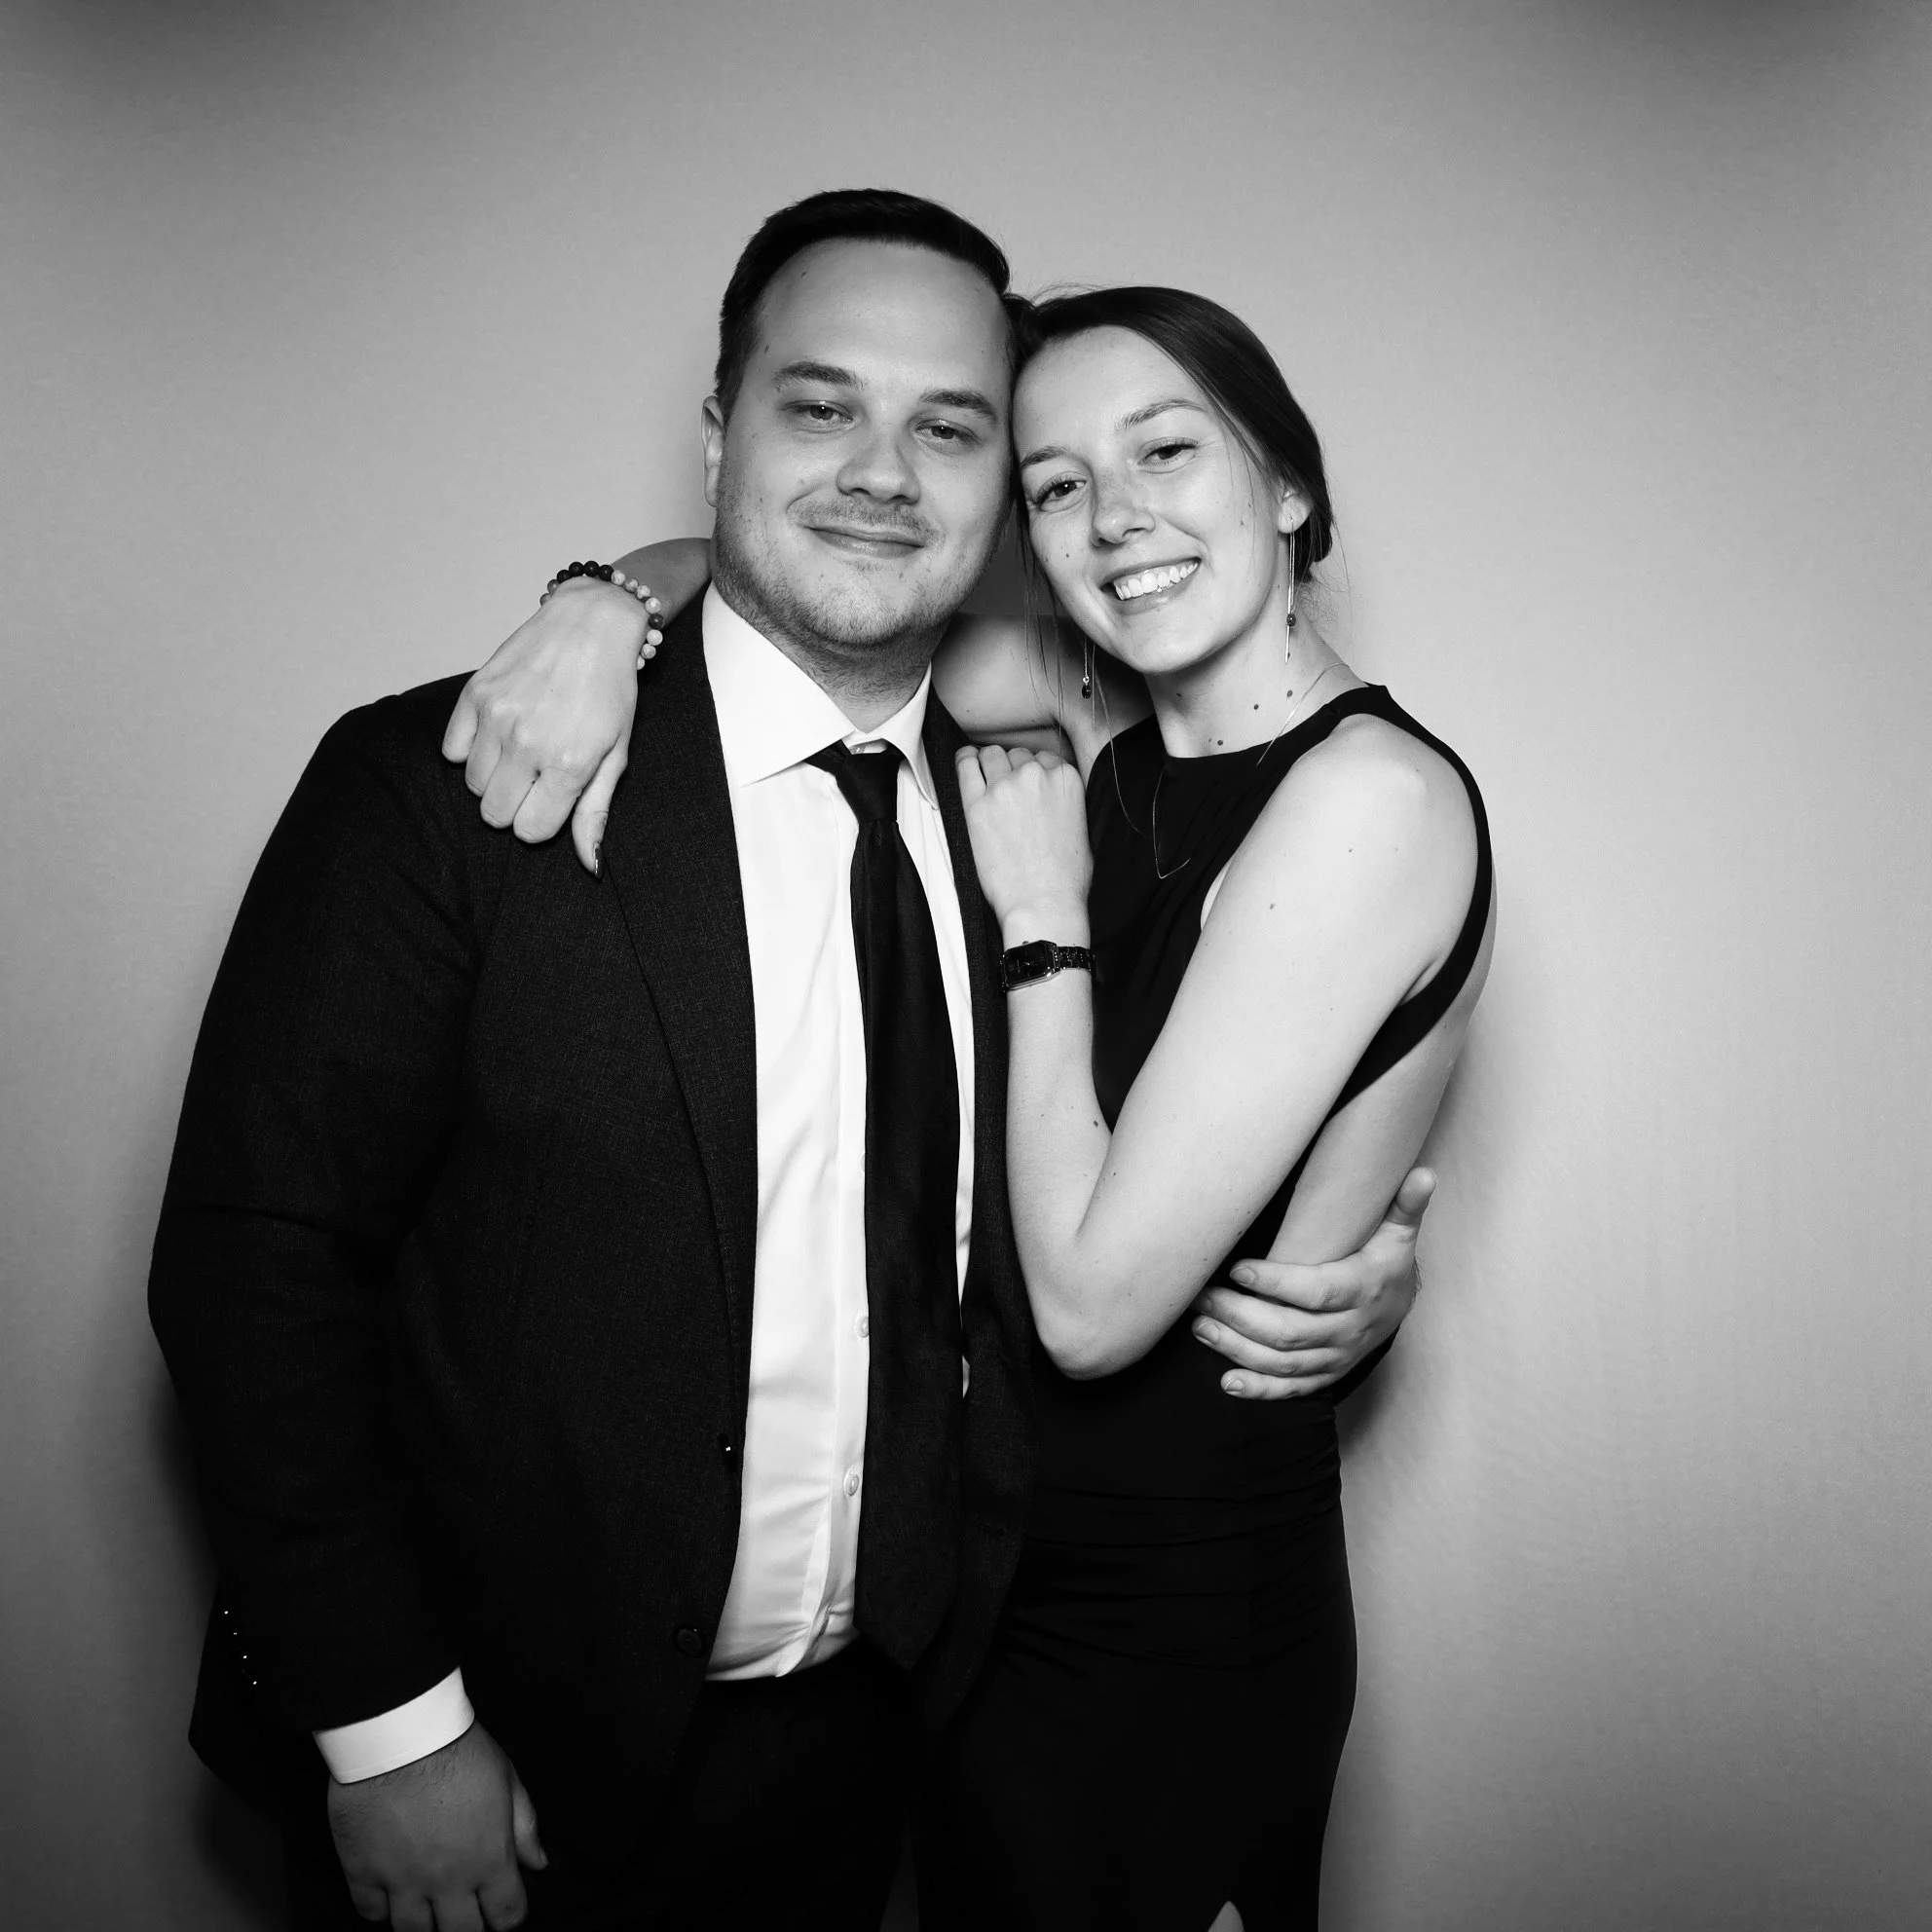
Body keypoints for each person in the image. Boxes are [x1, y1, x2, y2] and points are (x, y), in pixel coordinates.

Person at [150, 189, 1429, 1932]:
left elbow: (1127, 1186)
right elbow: (254, 1271)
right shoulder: (455, 782)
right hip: (497, 1769)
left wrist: (1344, 1244)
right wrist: (390, 1735)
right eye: (820, 406)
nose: (884, 472)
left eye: (953, 432)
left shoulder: (1021, 816)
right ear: (717, 438)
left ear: (992, 503)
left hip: (882, 1763)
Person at [447, 281, 1492, 1928]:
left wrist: (1043, 920)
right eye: (1060, 482)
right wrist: (597, 604)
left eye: (1166, 452)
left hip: (1171, 1627)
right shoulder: (1099, 715)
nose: (1115, 519)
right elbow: (802, 602)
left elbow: (1084, 1308)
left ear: (1287, 483)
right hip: (985, 1581)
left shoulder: (1369, 800)